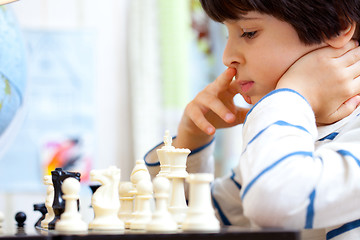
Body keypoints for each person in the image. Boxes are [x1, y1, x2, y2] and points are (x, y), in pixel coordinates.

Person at [145, 1, 360, 239]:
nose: (227, 57)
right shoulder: (290, 139)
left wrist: (291, 94)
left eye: (249, 33)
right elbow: (195, 216)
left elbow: (274, 200)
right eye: (228, 34)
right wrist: (192, 136)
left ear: (337, 26)